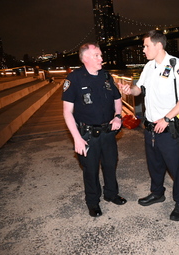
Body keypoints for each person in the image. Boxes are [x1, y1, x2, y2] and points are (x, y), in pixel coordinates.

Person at [120, 30, 179, 221]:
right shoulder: (148, 67)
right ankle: (157, 193)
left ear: (158, 45)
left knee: (176, 167)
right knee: (155, 164)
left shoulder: (177, 65)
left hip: (168, 127)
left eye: (146, 46)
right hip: (151, 127)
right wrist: (130, 90)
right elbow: (139, 90)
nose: (143, 50)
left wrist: (167, 118)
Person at [62, 42, 127, 217]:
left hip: (108, 132)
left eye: (100, 55)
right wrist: (76, 138)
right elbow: (67, 112)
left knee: (110, 165)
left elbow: (117, 99)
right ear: (85, 59)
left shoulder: (106, 76)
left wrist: (118, 116)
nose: (101, 58)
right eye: (97, 55)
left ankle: (111, 194)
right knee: (90, 170)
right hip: (87, 134)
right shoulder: (74, 79)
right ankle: (93, 202)